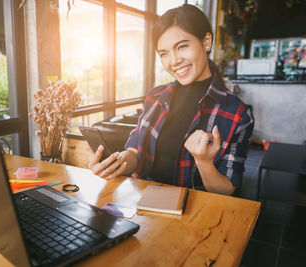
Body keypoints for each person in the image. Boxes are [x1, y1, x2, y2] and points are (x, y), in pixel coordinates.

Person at [87, 4, 254, 196]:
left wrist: (204, 163)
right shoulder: (155, 96)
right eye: (164, 53)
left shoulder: (237, 113)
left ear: (206, 42)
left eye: (182, 46)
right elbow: (135, 152)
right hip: (142, 204)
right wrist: (116, 163)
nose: (173, 61)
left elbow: (227, 190)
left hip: (195, 214)